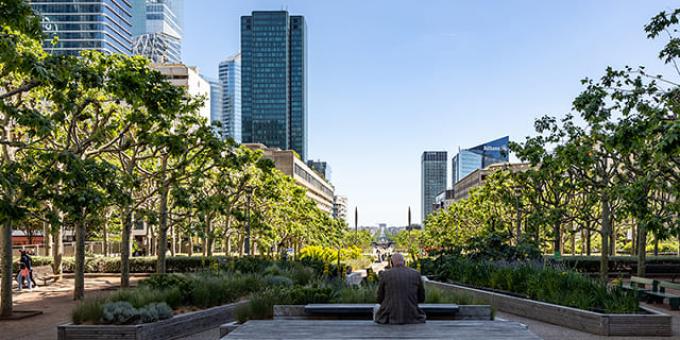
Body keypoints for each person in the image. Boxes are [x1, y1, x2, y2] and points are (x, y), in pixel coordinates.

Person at [373, 253, 426, 324]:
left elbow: (379, 299)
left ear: (391, 263)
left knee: (376, 307)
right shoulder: (416, 274)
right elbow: (421, 298)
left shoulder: (385, 275)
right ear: (404, 262)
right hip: (412, 316)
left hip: (390, 317)